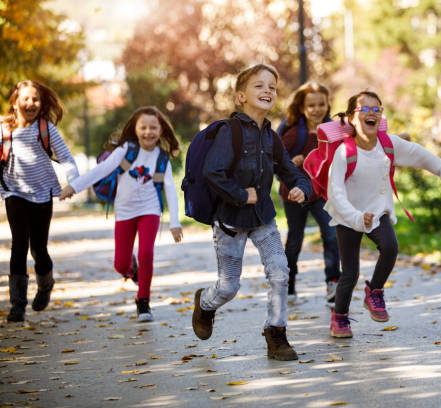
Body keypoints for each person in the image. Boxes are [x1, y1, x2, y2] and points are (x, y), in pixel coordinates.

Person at [191, 64, 312, 361]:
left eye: (272, 86)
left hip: (263, 219)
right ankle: (205, 304)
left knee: (280, 272)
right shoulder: (228, 132)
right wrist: (240, 194)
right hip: (230, 222)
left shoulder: (271, 137)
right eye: (259, 86)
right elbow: (212, 172)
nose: (267, 90)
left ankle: (276, 334)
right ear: (240, 96)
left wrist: (301, 188)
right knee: (228, 287)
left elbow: (289, 170)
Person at [324, 91, 441, 338]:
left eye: (377, 109)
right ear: (352, 118)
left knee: (391, 247)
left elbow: (418, 154)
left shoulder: (388, 144)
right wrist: (354, 217)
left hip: (377, 211)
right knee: (349, 274)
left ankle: (374, 291)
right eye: (365, 109)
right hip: (348, 216)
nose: (372, 113)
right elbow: (336, 193)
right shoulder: (344, 152)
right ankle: (340, 317)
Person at [60, 106, 183, 322]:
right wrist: (75, 186)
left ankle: (143, 301)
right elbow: (101, 170)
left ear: (161, 130)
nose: (148, 132)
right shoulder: (126, 150)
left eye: (153, 128)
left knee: (146, 253)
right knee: (120, 264)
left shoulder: (161, 158)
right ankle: (133, 272)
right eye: (143, 127)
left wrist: (174, 222)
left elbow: (171, 189)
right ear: (135, 129)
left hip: (150, 210)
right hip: (125, 212)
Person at [1, 80, 79, 323]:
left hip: (43, 194)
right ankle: (18, 305)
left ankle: (45, 285)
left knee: (38, 249)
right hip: (14, 192)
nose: (31, 103)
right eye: (25, 99)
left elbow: (66, 157)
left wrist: (71, 182)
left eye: (35, 99)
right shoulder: (4, 129)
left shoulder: (45, 128)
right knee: (19, 245)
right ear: (15, 103)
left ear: (41, 103)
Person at [278, 81, 340, 304]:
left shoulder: (334, 129)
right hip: (295, 193)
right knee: (295, 239)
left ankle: (333, 282)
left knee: (331, 235)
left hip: (322, 192)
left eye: (321, 104)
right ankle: (290, 282)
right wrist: (291, 162)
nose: (316, 109)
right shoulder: (295, 132)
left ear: (328, 104)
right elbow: (277, 159)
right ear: (303, 107)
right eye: (311, 105)